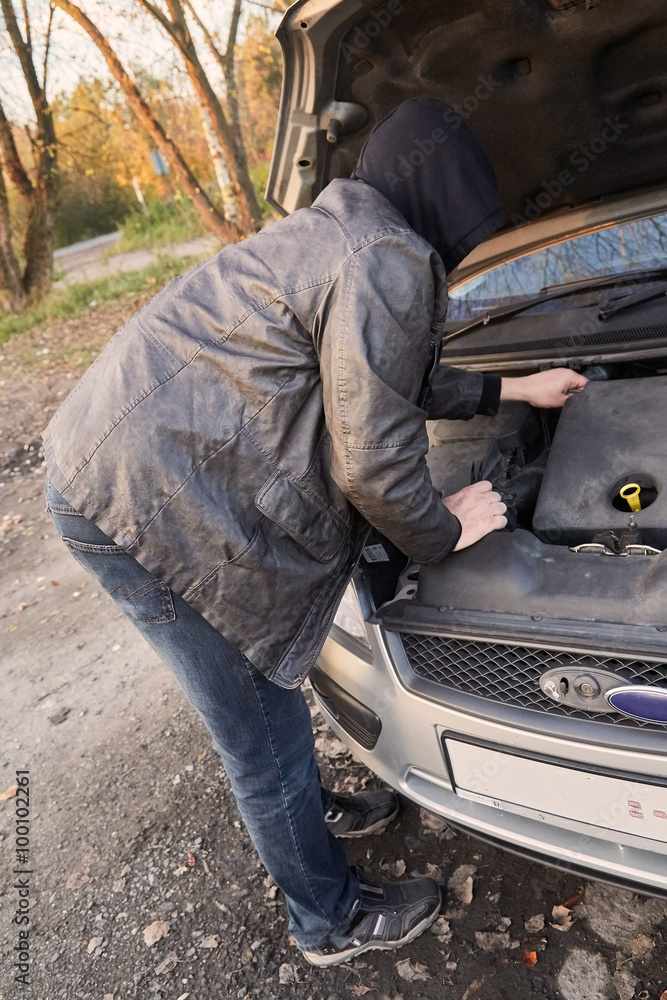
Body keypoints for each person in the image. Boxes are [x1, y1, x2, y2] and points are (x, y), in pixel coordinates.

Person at [42, 98, 587, 967]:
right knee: (262, 733)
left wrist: (511, 392)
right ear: (448, 197)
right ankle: (325, 919)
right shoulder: (390, 258)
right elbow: (373, 465)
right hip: (136, 505)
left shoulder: (337, 231)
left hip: (105, 465)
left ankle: (304, 814)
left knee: (264, 721)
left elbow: (374, 377)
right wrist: (443, 531)